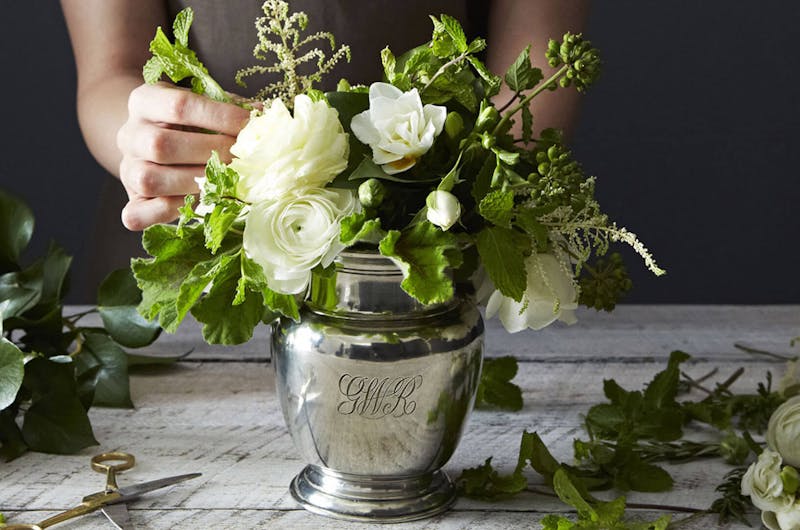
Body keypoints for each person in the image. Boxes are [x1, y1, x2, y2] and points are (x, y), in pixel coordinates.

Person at [60, 0, 587, 274]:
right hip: (192, 249)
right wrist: (147, 137)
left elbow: (540, 77)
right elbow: (109, 73)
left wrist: (429, 195)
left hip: (427, 255)